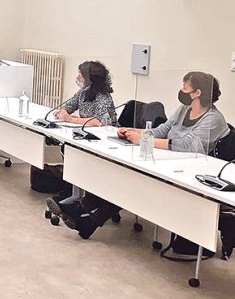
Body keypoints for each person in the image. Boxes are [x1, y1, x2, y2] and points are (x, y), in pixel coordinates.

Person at [66, 72, 229, 239]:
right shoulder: (184, 109)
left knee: (135, 182)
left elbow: (186, 145)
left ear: (197, 93)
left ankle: (86, 215)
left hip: (190, 172)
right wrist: (133, 132)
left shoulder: (213, 119)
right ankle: (84, 212)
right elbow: (162, 130)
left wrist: (145, 141)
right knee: (125, 174)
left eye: (185, 88)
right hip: (169, 159)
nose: (181, 90)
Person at [45, 61, 118, 226]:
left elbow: (99, 122)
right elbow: (69, 106)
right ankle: (70, 194)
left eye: (80, 74)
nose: (77, 77)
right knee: (68, 147)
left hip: (104, 142)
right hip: (86, 137)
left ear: (89, 78)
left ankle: (73, 199)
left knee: (75, 153)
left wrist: (72, 119)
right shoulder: (84, 92)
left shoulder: (103, 98)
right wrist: (63, 112)